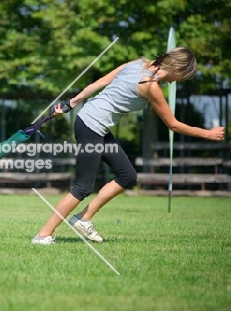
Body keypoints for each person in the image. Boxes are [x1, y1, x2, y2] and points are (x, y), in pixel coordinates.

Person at [32, 46, 225, 245]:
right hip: (91, 126)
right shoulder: (151, 85)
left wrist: (73, 102)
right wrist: (207, 133)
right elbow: (173, 124)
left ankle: (84, 218)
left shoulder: (138, 63)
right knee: (83, 187)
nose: (180, 81)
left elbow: (102, 82)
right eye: (184, 76)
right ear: (177, 69)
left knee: (127, 175)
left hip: (91, 122)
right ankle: (43, 235)